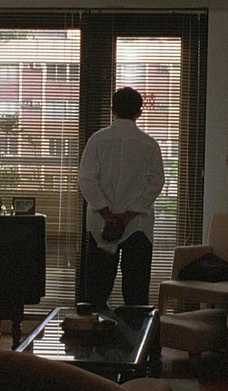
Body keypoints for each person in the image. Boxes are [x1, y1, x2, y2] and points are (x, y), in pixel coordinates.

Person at [78, 87, 165, 311]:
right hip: (137, 225)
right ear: (139, 113)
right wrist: (128, 214)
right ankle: (134, 333)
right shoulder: (149, 144)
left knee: (96, 295)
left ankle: (95, 333)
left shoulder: (97, 140)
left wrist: (107, 213)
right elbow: (156, 184)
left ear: (113, 110)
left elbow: (86, 180)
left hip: (100, 224)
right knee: (136, 296)